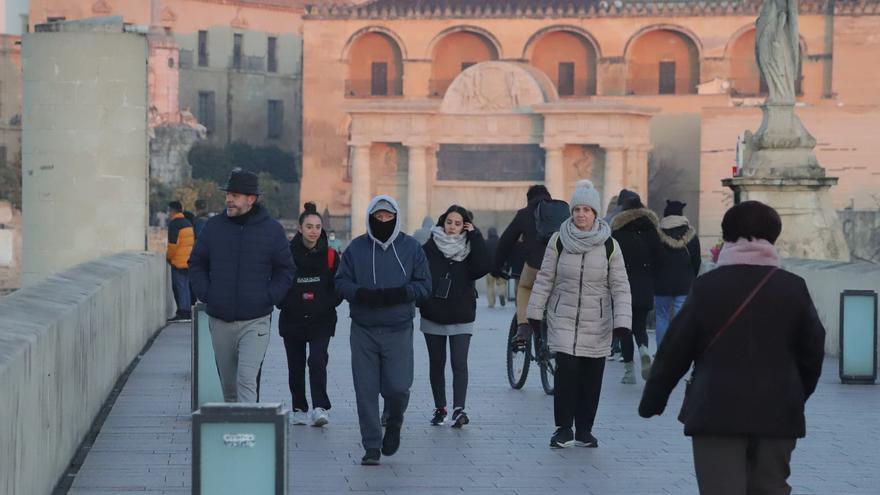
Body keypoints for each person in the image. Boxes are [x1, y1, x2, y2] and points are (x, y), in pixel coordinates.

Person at [639, 201, 826, 495]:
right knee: (770, 488)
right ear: (774, 237)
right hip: (777, 412)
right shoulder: (793, 287)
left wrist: (653, 401)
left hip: (716, 411)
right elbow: (813, 350)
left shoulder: (707, 286)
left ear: (726, 237)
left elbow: (675, 350)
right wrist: (796, 392)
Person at [527, 180, 632, 449]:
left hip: (597, 321)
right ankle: (563, 428)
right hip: (563, 317)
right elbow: (545, 279)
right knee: (567, 374)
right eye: (577, 209)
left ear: (595, 214)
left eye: (586, 209)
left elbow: (620, 287)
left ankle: (585, 429)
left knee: (591, 378)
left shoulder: (610, 246)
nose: (581, 214)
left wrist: (623, 323)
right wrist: (534, 313)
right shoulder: (559, 240)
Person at [335, 195, 431, 466]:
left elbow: (425, 285)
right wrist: (360, 294)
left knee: (398, 387)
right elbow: (340, 282)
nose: (383, 221)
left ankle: (395, 419)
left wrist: (402, 293)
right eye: (378, 217)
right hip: (363, 329)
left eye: (388, 217)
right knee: (365, 390)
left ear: (396, 217)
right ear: (370, 218)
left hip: (398, 328)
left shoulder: (411, 248)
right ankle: (372, 446)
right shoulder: (356, 249)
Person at [189, 168, 295, 403]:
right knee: (229, 389)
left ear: (251, 199)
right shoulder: (213, 227)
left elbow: (285, 269)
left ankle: (250, 436)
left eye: (235, 195)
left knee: (246, 380)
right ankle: (235, 435)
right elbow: (196, 262)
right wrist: (206, 294)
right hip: (220, 320)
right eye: (228, 194)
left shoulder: (272, 231)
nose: (228, 199)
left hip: (255, 320)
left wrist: (269, 297)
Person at [419, 205, 491, 427]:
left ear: (465, 226)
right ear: (442, 222)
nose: (452, 227)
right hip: (434, 313)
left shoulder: (471, 247)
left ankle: (459, 409)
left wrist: (476, 235)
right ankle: (440, 408)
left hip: (462, 314)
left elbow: (484, 267)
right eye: (449, 222)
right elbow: (419, 273)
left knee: (459, 363)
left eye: (458, 223)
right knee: (437, 364)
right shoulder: (429, 247)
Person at [277, 202, 341, 427]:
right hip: (292, 318)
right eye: (309, 226)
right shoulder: (286, 254)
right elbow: (278, 282)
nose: (314, 231)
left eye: (317, 227)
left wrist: (327, 303)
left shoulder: (332, 256)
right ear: (300, 228)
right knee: (295, 365)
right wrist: (286, 302)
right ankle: (299, 407)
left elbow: (339, 285)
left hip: (321, 319)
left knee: (317, 361)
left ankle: (320, 407)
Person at [611, 189, 662, 384]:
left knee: (624, 328)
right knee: (640, 326)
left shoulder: (618, 232)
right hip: (645, 284)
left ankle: (629, 372)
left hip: (623, 285)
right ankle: (643, 350)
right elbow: (660, 258)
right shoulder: (651, 231)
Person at [495, 185, 555, 344]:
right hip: (558, 266)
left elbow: (506, 242)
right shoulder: (562, 212)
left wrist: (497, 266)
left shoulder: (524, 214)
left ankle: (523, 327)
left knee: (524, 288)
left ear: (529, 199)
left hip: (534, 265)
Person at [654, 200, 701, 348]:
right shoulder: (691, 235)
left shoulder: (657, 234)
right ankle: (678, 350)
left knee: (662, 317)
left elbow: (653, 259)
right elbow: (697, 260)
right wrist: (692, 276)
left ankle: (661, 350)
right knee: (681, 318)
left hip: (662, 284)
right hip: (684, 283)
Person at [166, 201, 194, 322]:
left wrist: (168, 258)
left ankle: (183, 312)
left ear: (172, 211)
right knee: (186, 287)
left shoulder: (174, 224)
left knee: (179, 286)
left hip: (178, 261)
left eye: (169, 211)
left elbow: (172, 245)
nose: (168, 214)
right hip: (188, 260)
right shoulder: (187, 223)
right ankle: (187, 311)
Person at [484, 227, 507, 308]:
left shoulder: (485, 242)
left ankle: (491, 303)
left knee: (490, 286)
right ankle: (501, 294)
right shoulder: (501, 241)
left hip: (489, 268)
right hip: (501, 267)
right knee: (502, 283)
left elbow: (483, 256)